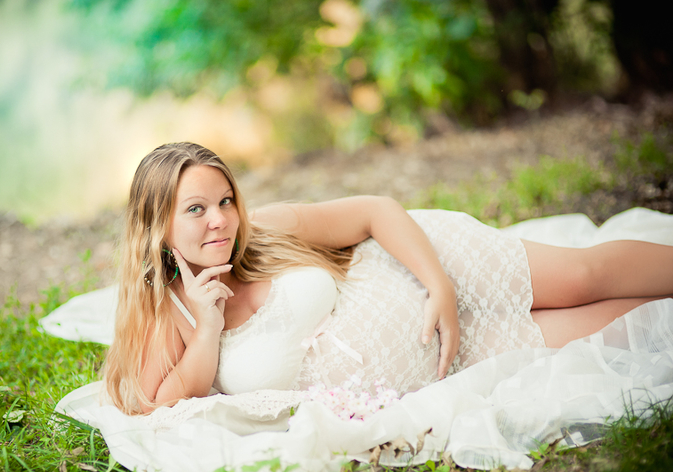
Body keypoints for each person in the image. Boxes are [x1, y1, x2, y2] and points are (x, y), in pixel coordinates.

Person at [103, 142, 673, 415]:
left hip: (426, 269)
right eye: (196, 209)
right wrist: (207, 329)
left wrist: (439, 286)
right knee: (595, 336)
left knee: (582, 276)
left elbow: (376, 210)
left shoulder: (265, 230)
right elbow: (153, 406)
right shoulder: (171, 313)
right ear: (158, 225)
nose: (221, 220)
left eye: (226, 200)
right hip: (446, 360)